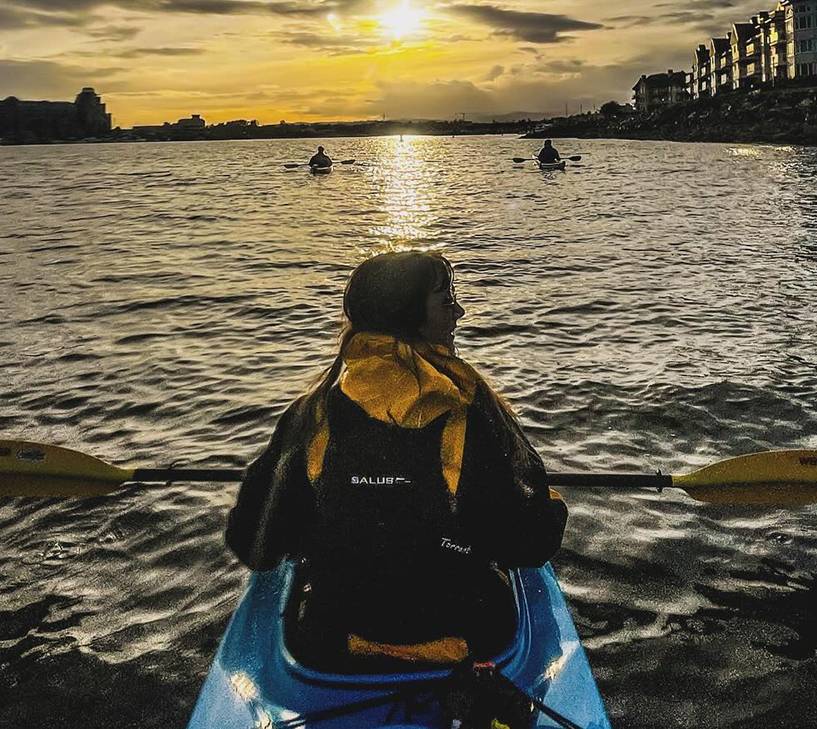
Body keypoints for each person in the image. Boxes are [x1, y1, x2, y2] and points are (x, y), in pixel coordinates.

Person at [226, 251, 567, 669]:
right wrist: (551, 506)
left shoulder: (310, 415)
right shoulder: (471, 413)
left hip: (332, 645)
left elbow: (253, 546)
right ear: (412, 319)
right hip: (470, 639)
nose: (459, 312)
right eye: (446, 301)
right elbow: (530, 544)